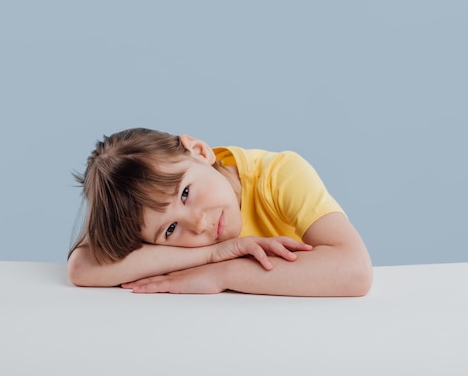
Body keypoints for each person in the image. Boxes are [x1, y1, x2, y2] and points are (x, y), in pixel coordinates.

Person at [67, 127, 372, 296]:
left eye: (186, 193)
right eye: (170, 230)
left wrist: (221, 273)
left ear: (199, 151)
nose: (199, 223)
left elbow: (353, 270)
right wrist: (214, 253)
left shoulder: (280, 175)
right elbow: (82, 267)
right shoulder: (176, 229)